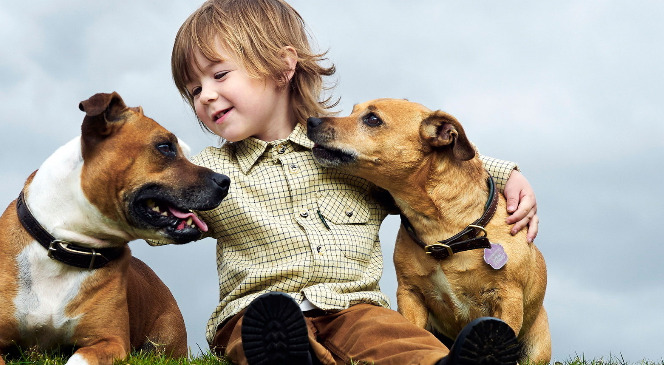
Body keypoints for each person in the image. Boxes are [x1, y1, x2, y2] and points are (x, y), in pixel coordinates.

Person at [161, 0, 539, 364]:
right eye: (194, 90)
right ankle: (287, 355)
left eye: (219, 75)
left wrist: (507, 174)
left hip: (352, 309)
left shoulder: (350, 156)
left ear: (282, 66)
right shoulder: (206, 172)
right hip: (259, 311)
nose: (206, 95)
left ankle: (445, 361)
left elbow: (423, 163)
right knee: (255, 333)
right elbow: (154, 209)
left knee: (398, 340)